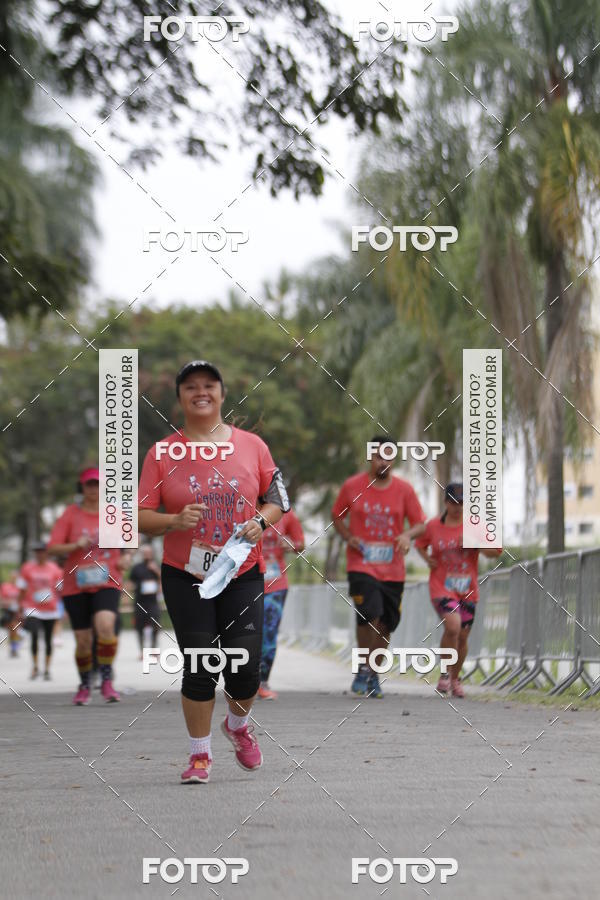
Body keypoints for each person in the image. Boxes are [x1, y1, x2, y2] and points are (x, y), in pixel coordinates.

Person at [138, 360, 289, 784]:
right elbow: (139, 517)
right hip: (186, 574)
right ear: (180, 398)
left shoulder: (252, 446)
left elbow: (278, 499)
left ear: (222, 394)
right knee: (200, 664)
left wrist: (260, 521)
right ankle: (199, 756)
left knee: (245, 670)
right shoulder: (162, 453)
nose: (200, 392)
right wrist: (173, 521)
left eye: (209, 385)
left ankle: (237, 726)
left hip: (242, 572)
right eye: (191, 386)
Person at [332, 435, 426, 698]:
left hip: (393, 569)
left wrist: (407, 535)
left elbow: (420, 523)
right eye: (378, 456)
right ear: (370, 458)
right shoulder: (352, 486)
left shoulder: (404, 490)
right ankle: (363, 668)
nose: (383, 462)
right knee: (368, 613)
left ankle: (372, 673)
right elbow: (337, 515)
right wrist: (348, 536)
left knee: (386, 623)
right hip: (361, 564)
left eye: (388, 457)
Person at [415, 482, 502, 697]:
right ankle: (445, 674)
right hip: (441, 586)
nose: (458, 507)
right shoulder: (433, 526)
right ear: (446, 502)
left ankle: (455, 678)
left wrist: (475, 544)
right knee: (453, 626)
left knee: (462, 636)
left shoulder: (475, 525)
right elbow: (420, 544)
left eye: (462, 503)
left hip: (467, 589)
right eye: (454, 502)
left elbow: (496, 551)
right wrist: (427, 559)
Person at [48, 467, 124, 705]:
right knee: (83, 641)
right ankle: (84, 684)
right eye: (89, 484)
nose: (93, 489)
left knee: (105, 625)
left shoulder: (114, 513)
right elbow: (52, 548)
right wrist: (75, 545)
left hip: (107, 581)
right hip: (76, 584)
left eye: (97, 484)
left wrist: (128, 557)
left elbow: (130, 541)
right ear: (82, 487)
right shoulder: (70, 514)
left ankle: (107, 680)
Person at [258, 508, 305, 700]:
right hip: (243, 582)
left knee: (269, 632)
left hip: (275, 583)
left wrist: (292, 544)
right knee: (245, 633)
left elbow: (300, 544)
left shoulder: (286, 513)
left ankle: (262, 682)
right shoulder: (241, 506)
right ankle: (242, 681)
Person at [16, 542, 63, 680]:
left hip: (50, 609)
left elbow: (60, 589)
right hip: (32, 608)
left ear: (47, 553)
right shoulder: (27, 568)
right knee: (35, 634)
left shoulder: (54, 569)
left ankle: (47, 669)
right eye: (37, 551)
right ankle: (35, 666)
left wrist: (63, 606)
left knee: (48, 639)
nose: (39, 554)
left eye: (42, 551)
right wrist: (19, 607)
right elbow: (22, 589)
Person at [128, 544, 162, 659]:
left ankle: (153, 649)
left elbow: (162, 581)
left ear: (152, 554)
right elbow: (130, 583)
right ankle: (142, 651)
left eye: (149, 552)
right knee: (139, 627)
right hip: (139, 601)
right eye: (145, 553)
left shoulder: (156, 565)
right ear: (142, 554)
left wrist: (156, 570)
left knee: (155, 625)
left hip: (153, 601)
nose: (147, 555)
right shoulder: (137, 567)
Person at [0, 572, 22, 657]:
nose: (14, 579)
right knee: (12, 630)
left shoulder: (20, 587)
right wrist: (7, 602)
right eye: (13, 577)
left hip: (18, 611)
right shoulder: (5, 586)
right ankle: (14, 647)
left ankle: (14, 648)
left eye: (16, 577)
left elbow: (24, 598)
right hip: (8, 610)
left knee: (14, 628)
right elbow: (1, 598)